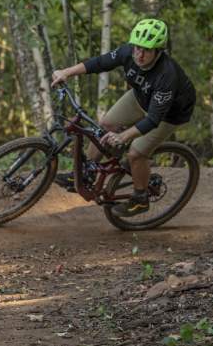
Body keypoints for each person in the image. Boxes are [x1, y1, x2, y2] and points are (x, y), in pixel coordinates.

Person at [50, 18, 196, 217]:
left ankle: (140, 198)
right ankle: (87, 173)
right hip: (140, 96)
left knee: (136, 153)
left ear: (158, 51)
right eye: (137, 48)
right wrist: (66, 73)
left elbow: (153, 119)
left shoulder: (166, 75)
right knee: (106, 124)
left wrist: (124, 136)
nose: (139, 54)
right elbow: (99, 63)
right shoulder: (128, 52)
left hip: (169, 114)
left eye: (146, 50)